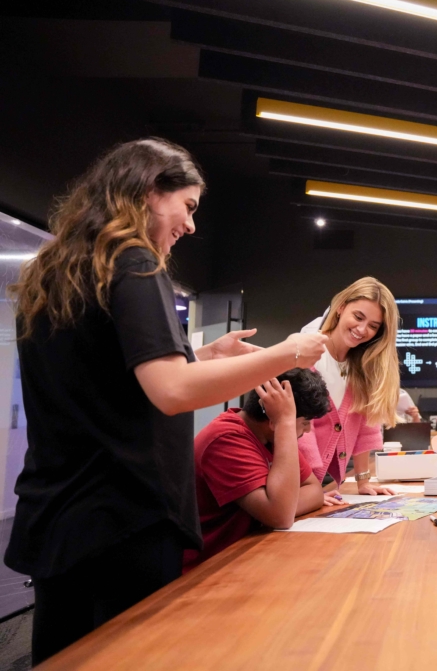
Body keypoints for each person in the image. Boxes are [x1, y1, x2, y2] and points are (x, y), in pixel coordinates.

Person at [5, 138, 328, 664]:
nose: (192, 226)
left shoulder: (56, 268)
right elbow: (172, 392)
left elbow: (108, 377)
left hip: (61, 516)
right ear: (151, 191)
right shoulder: (135, 260)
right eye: (189, 207)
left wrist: (199, 354)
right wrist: (288, 353)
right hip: (123, 519)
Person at [185, 369, 345, 571]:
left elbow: (313, 489)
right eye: (304, 423)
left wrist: (287, 502)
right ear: (273, 419)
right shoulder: (225, 439)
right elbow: (281, 515)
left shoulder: (271, 436)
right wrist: (286, 424)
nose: (305, 431)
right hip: (208, 569)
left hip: (248, 554)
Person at [298, 277, 402, 495]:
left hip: (330, 487)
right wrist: (311, 490)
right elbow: (298, 432)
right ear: (341, 308)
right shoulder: (309, 351)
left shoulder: (362, 364)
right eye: (358, 317)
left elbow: (364, 424)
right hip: (299, 484)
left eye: (373, 326)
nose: (362, 329)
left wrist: (363, 481)